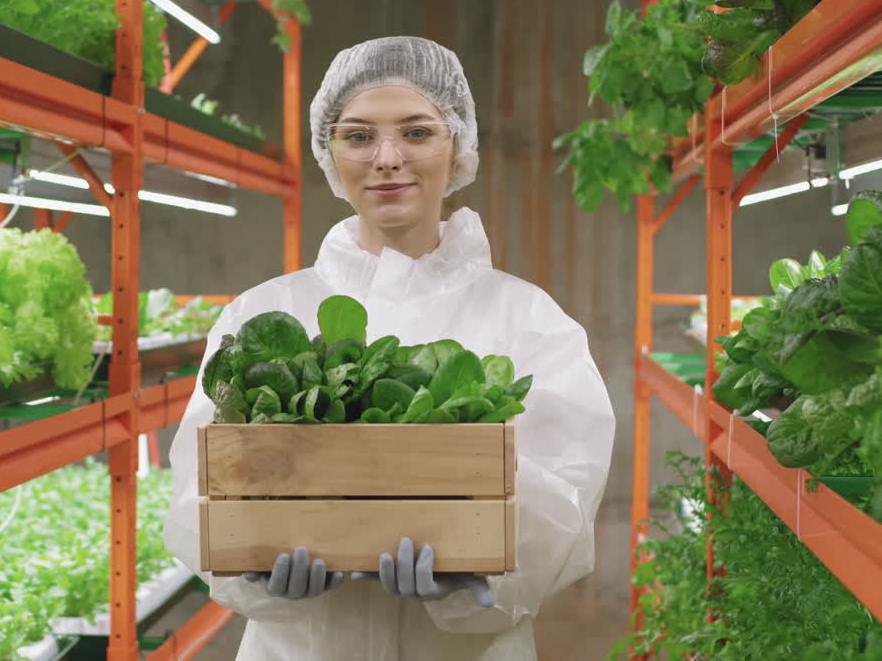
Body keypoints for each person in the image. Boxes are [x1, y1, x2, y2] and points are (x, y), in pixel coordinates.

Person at [162, 36, 615, 660]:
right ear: (330, 150)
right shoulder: (261, 313)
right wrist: (256, 573)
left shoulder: (528, 319)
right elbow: (199, 487)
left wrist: (473, 574)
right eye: (358, 136)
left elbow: (569, 497)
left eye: (417, 132)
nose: (388, 158)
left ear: (457, 145)